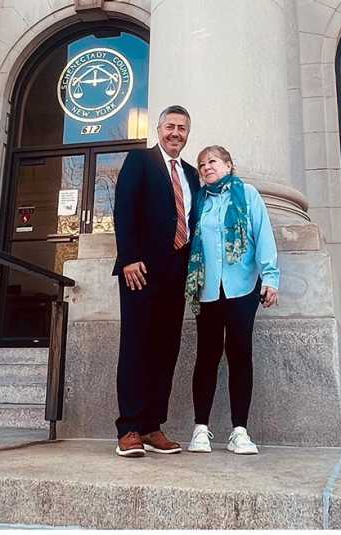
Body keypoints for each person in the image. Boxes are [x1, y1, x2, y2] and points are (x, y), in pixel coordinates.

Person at [111, 105, 201, 458]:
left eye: (182, 128)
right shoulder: (140, 161)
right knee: (136, 346)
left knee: (166, 349)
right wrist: (129, 257)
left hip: (176, 274)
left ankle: (152, 426)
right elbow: (124, 209)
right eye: (170, 126)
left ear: (187, 134)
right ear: (159, 129)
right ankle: (129, 428)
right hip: (141, 271)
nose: (175, 133)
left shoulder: (191, 174)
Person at [184, 145, 279, 455]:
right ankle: (200, 429)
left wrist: (271, 277)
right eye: (201, 164)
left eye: (212, 161)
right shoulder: (199, 201)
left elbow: (262, 235)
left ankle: (240, 431)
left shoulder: (247, 194)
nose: (206, 167)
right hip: (207, 290)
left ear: (228, 165)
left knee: (240, 356)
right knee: (206, 357)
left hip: (243, 288)